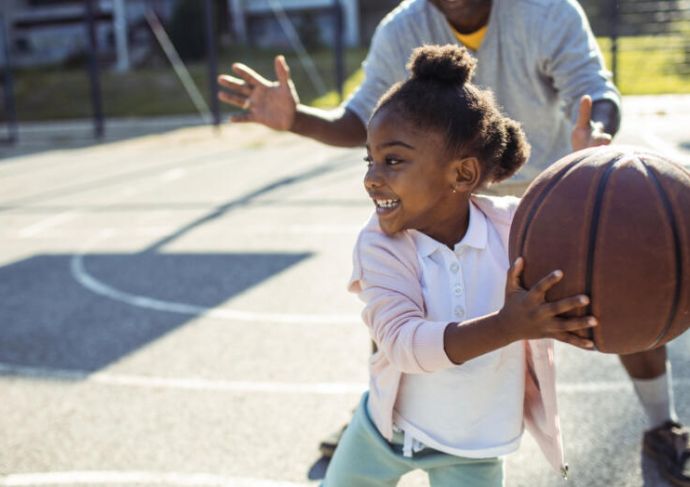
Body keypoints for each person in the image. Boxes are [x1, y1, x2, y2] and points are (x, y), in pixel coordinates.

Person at [218, 1, 689, 483]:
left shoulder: (545, 12)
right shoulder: (403, 27)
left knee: (623, 279)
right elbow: (363, 118)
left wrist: (596, 134)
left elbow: (592, 90)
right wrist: (296, 118)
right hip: (429, 198)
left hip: (543, 200)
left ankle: (660, 426)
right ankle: (391, 413)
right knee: (400, 309)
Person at [323, 44, 597, 486]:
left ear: (463, 175)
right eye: (370, 159)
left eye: (393, 160)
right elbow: (403, 345)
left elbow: (584, 234)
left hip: (474, 446)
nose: (372, 177)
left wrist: (590, 170)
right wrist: (509, 325)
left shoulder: (512, 228)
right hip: (385, 430)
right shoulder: (380, 244)